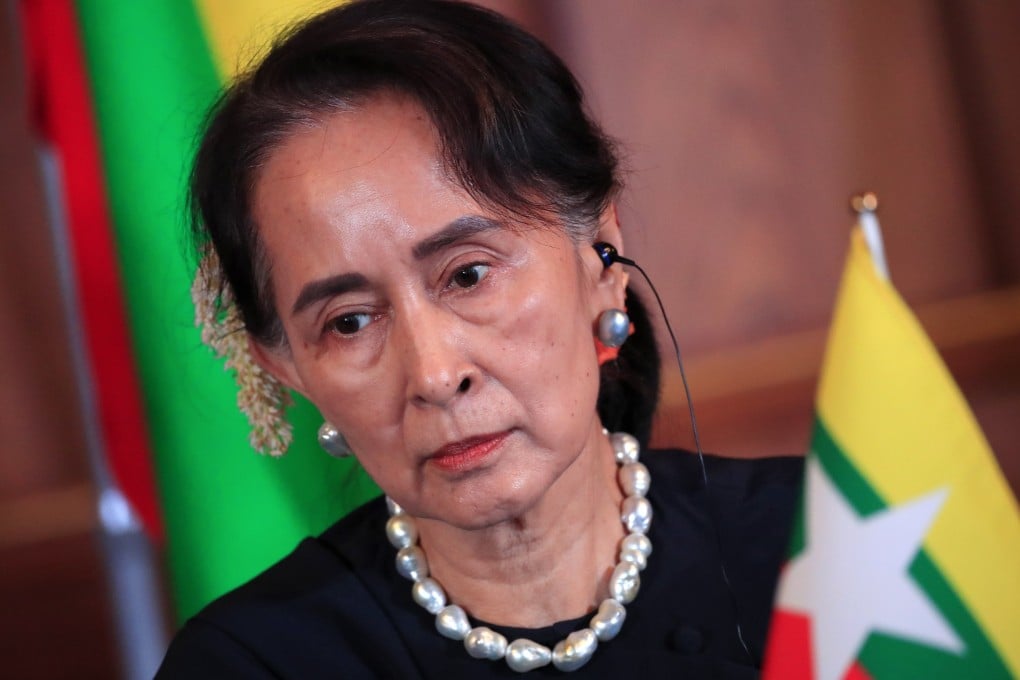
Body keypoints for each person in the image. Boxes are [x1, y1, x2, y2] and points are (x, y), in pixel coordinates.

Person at [157, 0, 802, 676]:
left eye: (468, 275)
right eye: (348, 321)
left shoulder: (829, 540)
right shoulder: (252, 663)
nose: (435, 374)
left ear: (601, 254)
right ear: (284, 365)